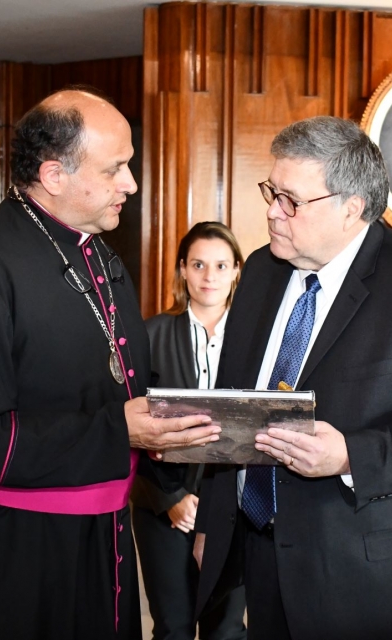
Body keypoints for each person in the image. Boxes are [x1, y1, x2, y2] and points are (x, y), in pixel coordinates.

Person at [0, 87, 220, 640]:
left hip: (101, 538)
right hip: (10, 550)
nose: (132, 184)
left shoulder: (98, 255)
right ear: (54, 176)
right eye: (116, 167)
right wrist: (119, 430)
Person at [192, 116, 392, 640]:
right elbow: (236, 401)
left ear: (351, 207)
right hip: (267, 557)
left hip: (372, 570)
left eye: (290, 199)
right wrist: (214, 523)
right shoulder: (261, 270)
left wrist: (352, 454)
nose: (271, 211)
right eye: (271, 192)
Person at [131, 221, 247, 640]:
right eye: (198, 264)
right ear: (182, 269)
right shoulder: (149, 335)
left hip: (233, 509)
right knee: (173, 627)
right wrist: (171, 499)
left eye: (221, 265)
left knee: (226, 630)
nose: (209, 276)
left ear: (237, 270)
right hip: (163, 507)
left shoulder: (255, 339)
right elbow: (133, 428)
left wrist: (221, 506)